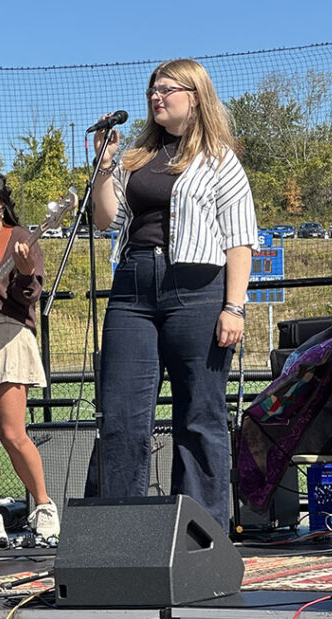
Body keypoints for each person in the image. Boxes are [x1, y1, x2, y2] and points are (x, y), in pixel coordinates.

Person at [87, 58, 257, 533]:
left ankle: (201, 538)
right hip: (133, 288)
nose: (156, 97)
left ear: (195, 95)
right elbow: (106, 220)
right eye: (152, 90)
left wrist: (234, 306)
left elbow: (239, 238)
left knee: (199, 415)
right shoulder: (136, 157)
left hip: (198, 288)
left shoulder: (221, 160)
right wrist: (103, 169)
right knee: (122, 414)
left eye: (167, 89)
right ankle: (119, 537)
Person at [0, 171, 59, 545]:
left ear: (2, 201)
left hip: (7, 333)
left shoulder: (18, 238)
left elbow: (29, 296)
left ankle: (44, 505)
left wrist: (21, 274)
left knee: (12, 431)